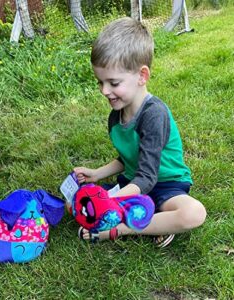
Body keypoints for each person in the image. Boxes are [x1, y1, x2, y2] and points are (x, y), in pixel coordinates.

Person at [73, 17, 206, 247]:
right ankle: (153, 221)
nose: (105, 91)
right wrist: (97, 174)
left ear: (142, 76)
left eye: (113, 83)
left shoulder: (154, 114)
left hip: (167, 184)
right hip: (133, 183)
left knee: (193, 213)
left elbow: (148, 176)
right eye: (100, 82)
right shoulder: (116, 114)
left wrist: (109, 199)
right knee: (74, 202)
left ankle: (119, 229)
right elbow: (128, 158)